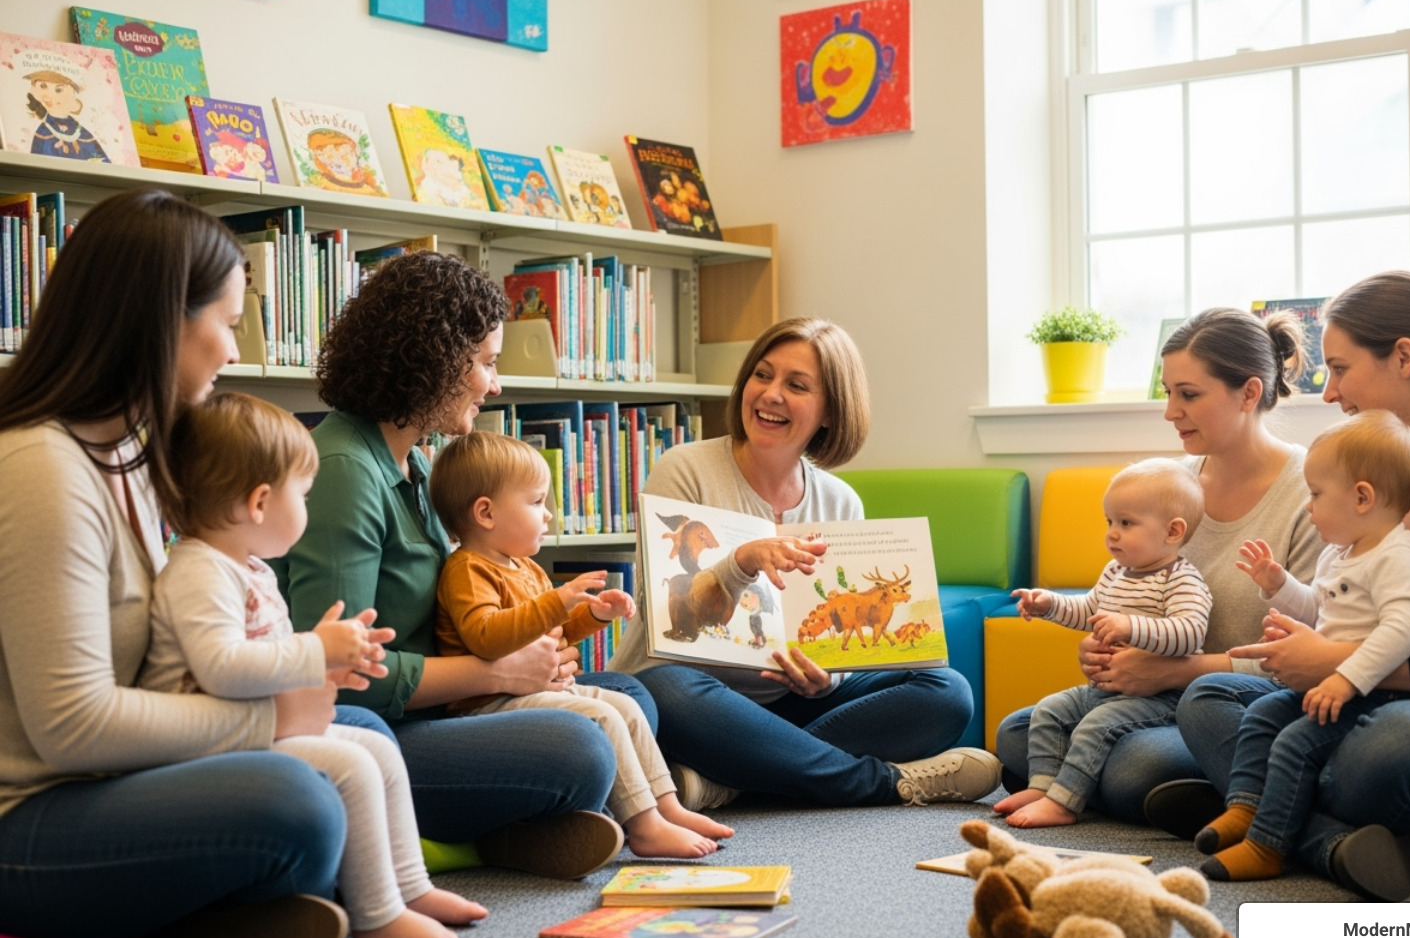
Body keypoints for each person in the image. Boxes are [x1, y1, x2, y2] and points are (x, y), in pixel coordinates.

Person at [0, 188, 365, 938]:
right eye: (228, 323)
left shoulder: (124, 455)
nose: (233, 350)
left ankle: (217, 919)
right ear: (164, 319)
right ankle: (204, 923)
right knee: (296, 801)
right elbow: (72, 726)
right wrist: (267, 718)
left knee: (355, 740)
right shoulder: (43, 469)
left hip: (107, 783)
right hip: (27, 820)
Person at [1156, 271, 1410, 901]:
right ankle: (1326, 838)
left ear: (1404, 358)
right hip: (1368, 702)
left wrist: (1338, 662)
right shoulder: (1370, 476)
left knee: (1390, 749)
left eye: (1339, 369)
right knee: (1209, 698)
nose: (1329, 392)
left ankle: (1257, 806)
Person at [275, 249, 646, 879]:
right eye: (486, 363)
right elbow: (338, 673)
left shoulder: (418, 464)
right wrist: (496, 673)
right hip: (380, 728)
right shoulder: (344, 473)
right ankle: (486, 840)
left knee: (632, 697)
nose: (494, 385)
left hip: (445, 711)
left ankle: (510, 830)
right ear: (434, 359)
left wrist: (536, 652)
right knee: (584, 747)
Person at [140, 392, 488, 938]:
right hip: (207, 745)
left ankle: (411, 887)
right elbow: (221, 667)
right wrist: (313, 651)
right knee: (352, 765)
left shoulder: (247, 568)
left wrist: (328, 670)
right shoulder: (199, 571)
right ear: (259, 502)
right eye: (302, 495)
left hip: (253, 726)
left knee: (378, 750)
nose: (308, 507)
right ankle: (377, 914)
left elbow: (268, 660)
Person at [608, 317, 1000, 809]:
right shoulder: (685, 468)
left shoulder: (840, 500)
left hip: (784, 710)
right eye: (762, 375)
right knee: (666, 688)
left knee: (947, 690)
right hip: (693, 699)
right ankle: (879, 783)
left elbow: (840, 648)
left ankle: (736, 780)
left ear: (831, 411)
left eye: (796, 386)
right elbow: (666, 615)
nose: (770, 394)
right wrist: (740, 563)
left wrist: (826, 679)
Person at [993, 307, 1325, 823]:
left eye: (1188, 394)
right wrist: (1104, 650)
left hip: (1234, 707)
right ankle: (1170, 795)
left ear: (1248, 393)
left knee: (1136, 765)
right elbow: (1126, 596)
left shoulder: (1311, 493)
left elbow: (1304, 658)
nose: (1171, 412)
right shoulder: (1171, 484)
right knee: (1017, 731)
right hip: (1146, 698)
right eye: (1168, 392)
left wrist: (1177, 670)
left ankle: (1201, 791)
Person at [429, 430, 732, 857]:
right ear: (486, 513)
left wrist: (594, 615)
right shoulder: (467, 569)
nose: (548, 515)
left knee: (625, 707)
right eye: (536, 502)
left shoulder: (526, 568)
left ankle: (667, 807)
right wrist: (557, 601)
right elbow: (487, 636)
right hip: (488, 704)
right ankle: (644, 827)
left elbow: (556, 635)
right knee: (602, 717)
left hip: (535, 691)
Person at [1195, 409, 1410, 882]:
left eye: (1316, 494)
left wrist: (1346, 679)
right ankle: (1245, 807)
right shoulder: (1338, 552)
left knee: (1295, 744)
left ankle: (1267, 846)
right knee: (1263, 715)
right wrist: (1280, 585)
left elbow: (1403, 630)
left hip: (1380, 695)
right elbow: (1316, 609)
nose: (1308, 506)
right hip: (1333, 686)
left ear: (1362, 497)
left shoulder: (1399, 558)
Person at [993, 458, 1212, 829]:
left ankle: (1064, 802)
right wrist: (1049, 605)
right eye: (1110, 521)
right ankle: (1043, 786)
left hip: (1161, 697)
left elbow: (1190, 632)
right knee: (1047, 712)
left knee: (1096, 727)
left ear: (1173, 531)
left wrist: (1129, 626)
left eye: (1126, 523)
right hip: (1104, 690)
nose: (1112, 534)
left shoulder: (1182, 580)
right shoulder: (1115, 572)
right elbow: (1089, 610)